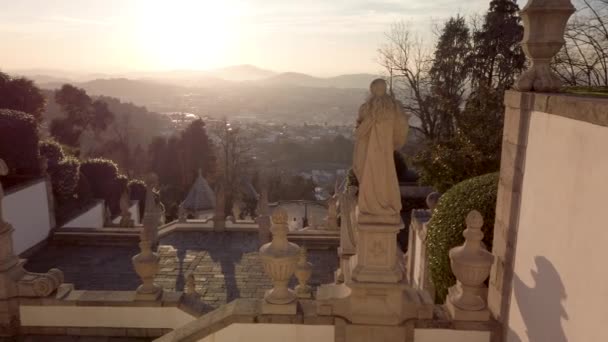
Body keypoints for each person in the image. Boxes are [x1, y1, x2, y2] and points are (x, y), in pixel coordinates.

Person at [353, 79, 409, 224]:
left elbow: (400, 126)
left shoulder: (393, 107)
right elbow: (359, 131)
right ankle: (370, 204)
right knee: (370, 175)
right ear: (372, 90)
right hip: (370, 150)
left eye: (383, 87)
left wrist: (401, 114)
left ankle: (385, 204)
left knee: (385, 176)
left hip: (385, 150)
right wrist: (370, 119)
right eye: (377, 87)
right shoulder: (366, 108)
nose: (380, 90)